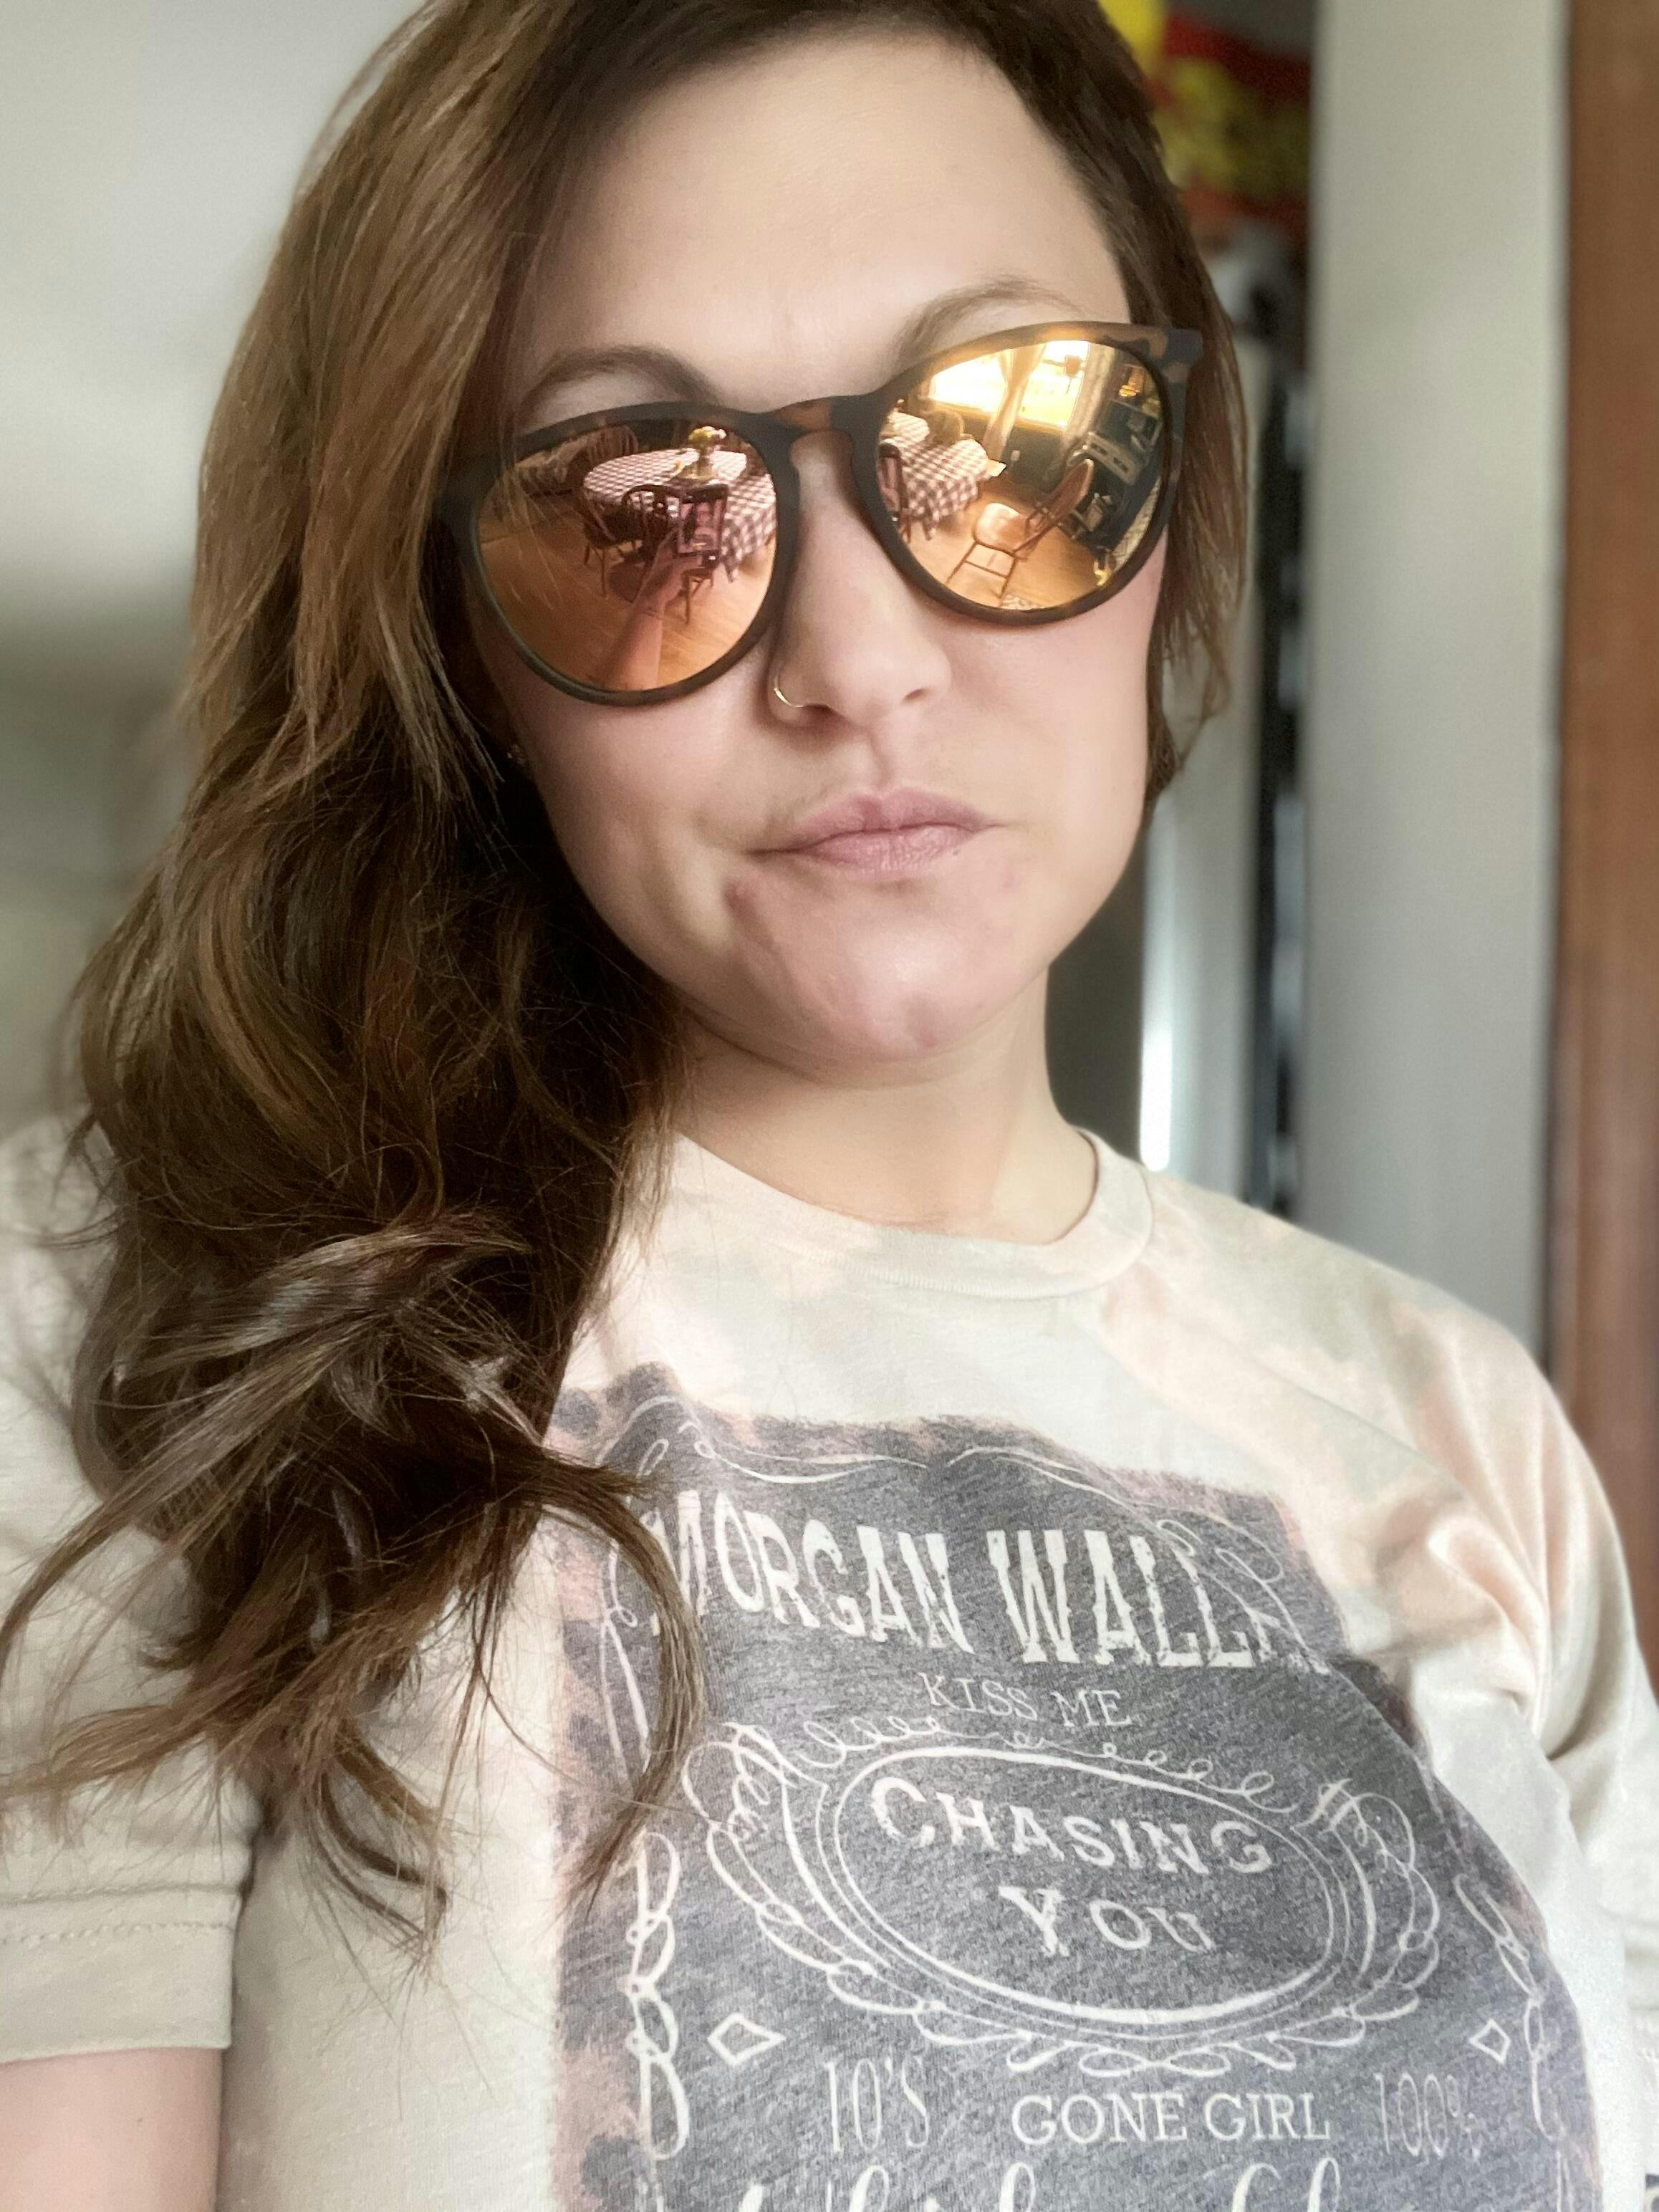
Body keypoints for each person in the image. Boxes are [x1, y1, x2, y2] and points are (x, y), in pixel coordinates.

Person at [0, 1, 1654, 2206]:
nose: (857, 662)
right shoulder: (141, 1336)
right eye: (644, 508)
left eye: (1014, 435)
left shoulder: (1463, 1436)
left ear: (1172, 501)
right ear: (467, 654)